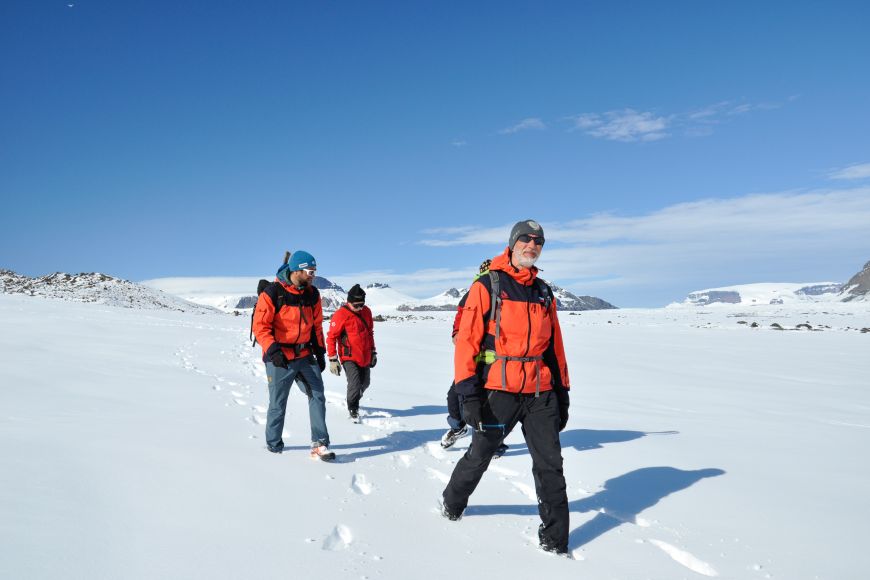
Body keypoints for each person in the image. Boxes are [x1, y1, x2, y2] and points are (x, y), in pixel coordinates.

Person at [440, 220, 572, 555]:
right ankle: (452, 503)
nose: (533, 244)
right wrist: (468, 393)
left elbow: (554, 347)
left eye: (539, 241)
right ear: (512, 243)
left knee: (550, 465)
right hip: (498, 391)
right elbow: (467, 342)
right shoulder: (488, 285)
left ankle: (557, 542)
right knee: (480, 454)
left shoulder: (543, 291)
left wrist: (563, 390)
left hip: (541, 393)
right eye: (526, 239)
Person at [252, 250, 334, 461]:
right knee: (278, 403)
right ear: (297, 270)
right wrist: (272, 350)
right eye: (309, 271)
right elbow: (260, 327)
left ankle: (320, 443)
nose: (313, 275)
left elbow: (316, 326)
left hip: (305, 355)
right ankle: (273, 445)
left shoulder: (313, 294)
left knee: (317, 395)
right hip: (279, 357)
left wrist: (321, 352)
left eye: (315, 271)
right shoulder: (272, 294)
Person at [441, 259, 507, 459]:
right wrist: (456, 333)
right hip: (472, 360)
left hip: (495, 362)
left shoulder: (506, 294)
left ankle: (494, 445)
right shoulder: (474, 292)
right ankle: (458, 427)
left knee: (491, 405)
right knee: (455, 396)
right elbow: (460, 317)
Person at [326, 284, 377, 421]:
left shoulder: (367, 312)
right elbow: (331, 337)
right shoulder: (340, 315)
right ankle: (353, 407)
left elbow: (370, 333)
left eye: (362, 304)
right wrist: (332, 359)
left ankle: (352, 396)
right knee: (354, 383)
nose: (360, 308)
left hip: (365, 354)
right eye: (356, 305)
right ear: (349, 302)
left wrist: (373, 352)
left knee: (365, 383)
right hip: (348, 356)